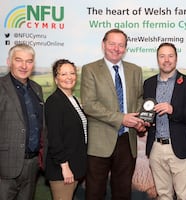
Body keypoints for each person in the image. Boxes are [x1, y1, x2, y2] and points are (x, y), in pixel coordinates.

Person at [80, 28, 146, 199]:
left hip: (127, 140)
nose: (116, 48)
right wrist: (122, 118)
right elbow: (89, 104)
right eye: (112, 44)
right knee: (95, 192)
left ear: (125, 48)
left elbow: (139, 98)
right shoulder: (90, 69)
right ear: (103, 45)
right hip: (100, 143)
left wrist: (138, 118)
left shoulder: (135, 70)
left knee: (123, 192)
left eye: (121, 45)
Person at [143, 42, 186, 199]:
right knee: (163, 195)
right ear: (157, 59)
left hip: (178, 148)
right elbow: (147, 112)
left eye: (170, 56)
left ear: (176, 58)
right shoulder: (149, 83)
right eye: (162, 56)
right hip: (155, 147)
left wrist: (173, 110)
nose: (166, 60)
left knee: (184, 195)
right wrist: (144, 123)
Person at [0, 44, 45, 200]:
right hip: (4, 166)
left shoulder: (37, 88)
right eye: (19, 60)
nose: (24, 66)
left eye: (29, 61)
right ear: (9, 61)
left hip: (32, 165)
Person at [45, 59, 87, 200]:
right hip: (61, 169)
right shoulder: (54, 102)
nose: (69, 77)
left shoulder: (72, 99)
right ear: (56, 79)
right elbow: (54, 138)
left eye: (72, 73)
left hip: (74, 165)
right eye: (63, 74)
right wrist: (65, 167)